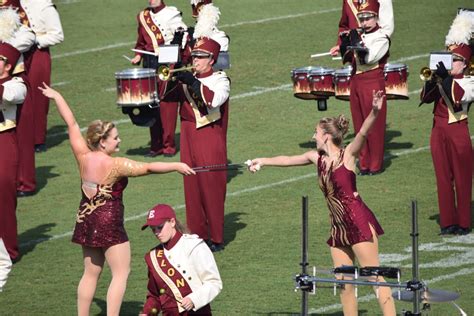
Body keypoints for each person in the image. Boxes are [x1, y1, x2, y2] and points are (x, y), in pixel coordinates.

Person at [38, 84, 196, 316]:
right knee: (121, 273)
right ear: (102, 142)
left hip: (85, 220)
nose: (119, 141)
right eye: (115, 138)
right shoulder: (116, 165)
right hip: (109, 222)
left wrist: (58, 97)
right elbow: (149, 167)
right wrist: (176, 165)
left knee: (90, 273)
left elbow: (71, 123)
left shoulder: (82, 155)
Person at [248, 90, 396, 315]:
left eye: (316, 132)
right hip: (338, 227)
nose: (313, 135)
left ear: (326, 135)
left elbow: (364, 132)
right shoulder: (316, 158)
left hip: (358, 222)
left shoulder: (348, 156)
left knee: (374, 277)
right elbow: (287, 159)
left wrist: (375, 111)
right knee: (345, 284)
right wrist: (263, 161)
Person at [419, 10, 473, 236]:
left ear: (465, 62)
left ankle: (463, 223)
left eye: (457, 60)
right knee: (443, 178)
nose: (453, 63)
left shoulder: (470, 81)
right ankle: (447, 222)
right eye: (451, 59)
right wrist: (433, 79)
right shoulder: (444, 77)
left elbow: (458, 98)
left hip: (458, 130)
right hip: (437, 130)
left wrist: (447, 78)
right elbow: (425, 98)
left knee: (462, 178)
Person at [174, 37, 230, 252]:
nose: (195, 60)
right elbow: (165, 98)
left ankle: (215, 237)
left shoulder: (221, 80)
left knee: (211, 185)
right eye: (194, 56)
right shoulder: (189, 77)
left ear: (212, 60)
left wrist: (193, 82)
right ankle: (197, 235)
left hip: (208, 134)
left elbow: (213, 101)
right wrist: (172, 77)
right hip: (188, 133)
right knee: (192, 186)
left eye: (200, 57)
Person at [335, 0, 390, 175]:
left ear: (376, 18)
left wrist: (355, 41)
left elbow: (369, 58)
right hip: (357, 80)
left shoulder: (381, 36)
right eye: (362, 18)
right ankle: (363, 162)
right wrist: (342, 47)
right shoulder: (360, 34)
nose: (364, 22)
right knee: (359, 124)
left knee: (374, 124)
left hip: (373, 80)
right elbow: (349, 55)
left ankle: (375, 164)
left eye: (368, 18)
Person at [139, 203, 222, 315]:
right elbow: (155, 295)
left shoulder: (194, 246)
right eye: (153, 229)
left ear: (172, 222)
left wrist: (194, 299)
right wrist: (147, 312)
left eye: (160, 227)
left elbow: (213, 282)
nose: (157, 233)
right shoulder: (153, 257)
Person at [131, 0, 188, 157]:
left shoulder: (172, 14)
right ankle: (155, 146)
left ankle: (168, 145)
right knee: (151, 105)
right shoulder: (143, 16)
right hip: (149, 65)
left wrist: (173, 56)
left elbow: (183, 36)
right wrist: (138, 55)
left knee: (167, 106)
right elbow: (142, 41)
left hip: (166, 64)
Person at [20, 0, 64, 153]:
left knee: (38, 96)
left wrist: (35, 41)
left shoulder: (44, 5)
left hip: (38, 52)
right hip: (16, 53)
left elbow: (58, 35)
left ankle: (38, 139)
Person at [0, 42, 27, 263]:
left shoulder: (17, 84)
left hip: (4, 140)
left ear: (8, 66)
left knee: (4, 196)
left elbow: (10, 97)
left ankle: (9, 250)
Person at [329, 0, 393, 57]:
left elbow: (386, 27)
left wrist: (376, 45)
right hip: (355, 53)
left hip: (375, 50)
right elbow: (344, 25)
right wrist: (341, 45)